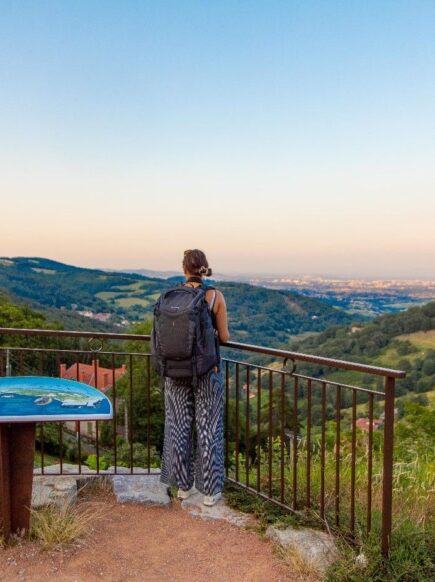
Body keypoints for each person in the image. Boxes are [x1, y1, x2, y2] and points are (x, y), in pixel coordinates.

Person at [160, 249, 229, 506]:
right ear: (206, 268)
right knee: (208, 428)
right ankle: (210, 492)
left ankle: (183, 487)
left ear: (184, 269)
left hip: (175, 372)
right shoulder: (214, 296)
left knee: (178, 427)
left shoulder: (171, 297)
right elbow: (224, 337)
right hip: (206, 372)